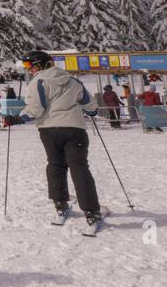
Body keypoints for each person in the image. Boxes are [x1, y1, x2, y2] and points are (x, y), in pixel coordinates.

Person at [15, 50, 103, 230]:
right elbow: (89, 103)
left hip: (49, 130)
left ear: (41, 64)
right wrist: (92, 111)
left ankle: (60, 203)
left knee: (55, 164)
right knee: (79, 167)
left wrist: (17, 118)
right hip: (75, 129)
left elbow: (35, 110)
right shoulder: (73, 81)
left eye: (29, 65)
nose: (28, 69)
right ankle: (91, 211)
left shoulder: (37, 82)